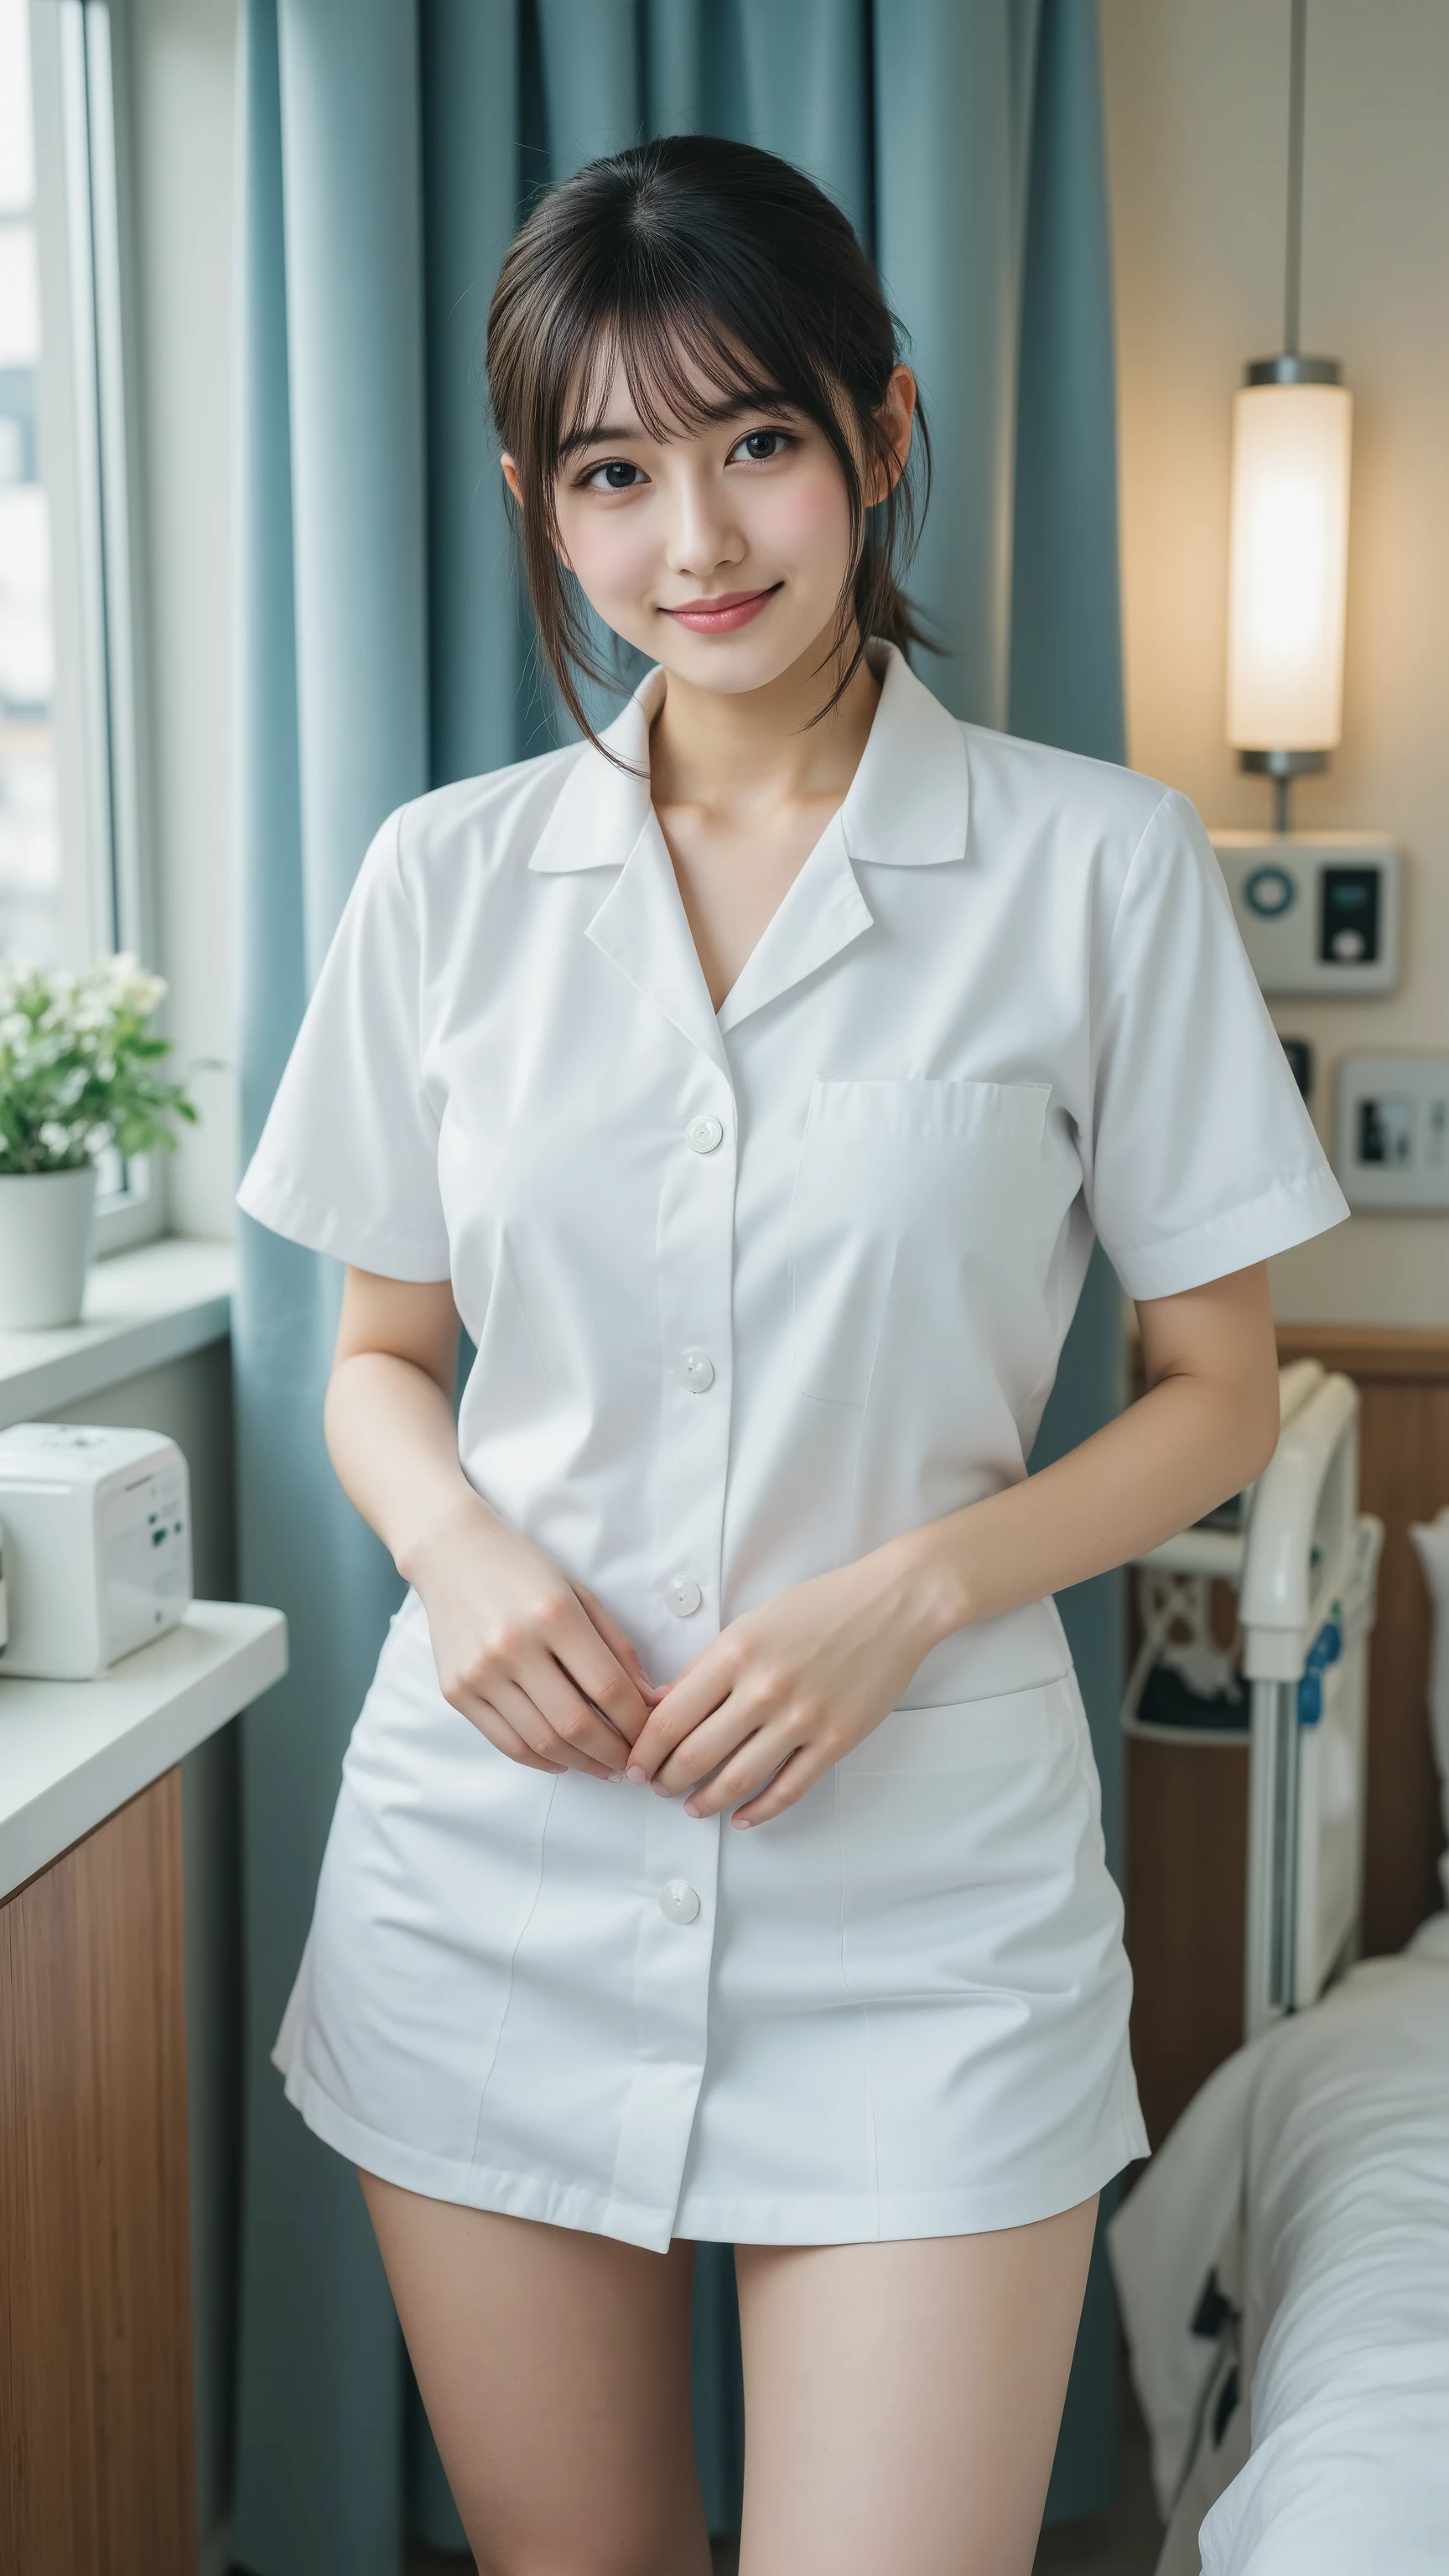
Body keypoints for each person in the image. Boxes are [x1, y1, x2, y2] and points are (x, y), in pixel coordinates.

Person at [238, 135, 1348, 2576]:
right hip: (500, 1863)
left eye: (757, 440)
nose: (698, 540)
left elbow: (1221, 1392)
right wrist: (453, 1554)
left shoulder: (1097, 867)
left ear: (885, 430)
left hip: (918, 1903)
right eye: (616, 473)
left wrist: (918, 1590)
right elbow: (372, 1359)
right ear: (542, 505)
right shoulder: (441, 885)